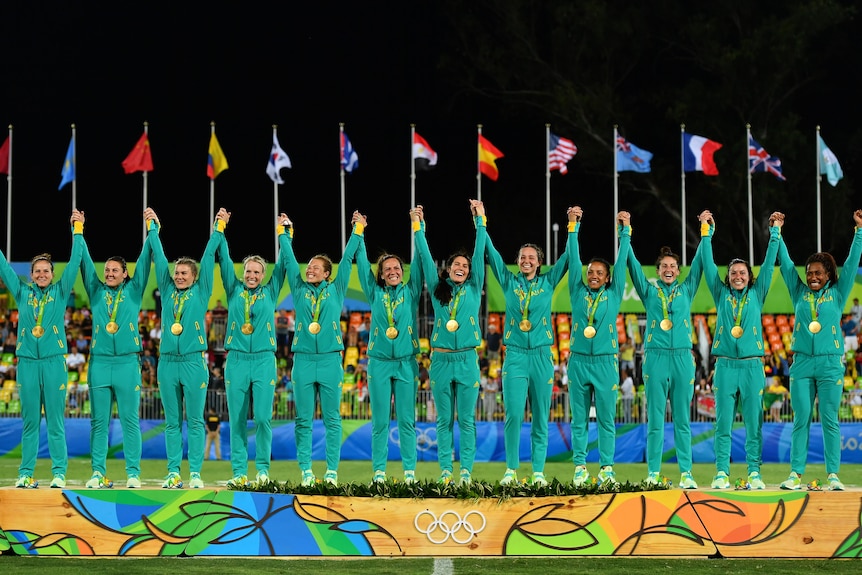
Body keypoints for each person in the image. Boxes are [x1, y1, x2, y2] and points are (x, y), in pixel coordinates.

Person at [485, 206, 571, 486]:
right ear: (518, 261)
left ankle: (537, 472)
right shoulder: (509, 282)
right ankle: (510, 470)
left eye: (531, 257)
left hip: (543, 355)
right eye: (523, 257)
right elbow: (494, 256)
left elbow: (569, 257)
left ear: (539, 262)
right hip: (516, 356)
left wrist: (573, 225)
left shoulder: (548, 282)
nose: (526, 260)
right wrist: (480, 223)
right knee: (512, 415)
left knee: (540, 418)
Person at [777, 210, 862, 491]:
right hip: (801, 363)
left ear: (828, 275)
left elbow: (851, 264)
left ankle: (833, 475)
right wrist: (776, 231)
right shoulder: (798, 292)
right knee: (801, 419)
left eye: (818, 273)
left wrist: (859, 231)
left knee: (829, 420)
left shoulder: (838, 292)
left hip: (829, 364)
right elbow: (786, 263)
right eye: (809, 272)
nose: (812, 276)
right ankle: (795, 475)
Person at [626, 210, 709, 489]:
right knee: (656, 420)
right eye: (664, 266)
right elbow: (633, 264)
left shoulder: (687, 290)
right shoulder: (649, 292)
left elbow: (699, 263)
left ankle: (686, 473)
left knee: (683, 420)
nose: (669, 269)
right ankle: (653, 472)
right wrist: (626, 231)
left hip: (683, 357)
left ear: (678, 269)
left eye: (673, 266)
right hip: (656, 358)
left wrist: (705, 230)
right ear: (658, 270)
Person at [702, 210, 783, 490]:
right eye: (733, 273)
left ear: (750, 276)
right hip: (725, 366)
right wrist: (706, 232)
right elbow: (707, 263)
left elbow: (770, 264)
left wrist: (774, 233)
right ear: (728, 277)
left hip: (751, 366)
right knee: (722, 425)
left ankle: (754, 473)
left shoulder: (757, 294)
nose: (737, 276)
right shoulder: (720, 292)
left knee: (753, 425)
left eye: (742, 272)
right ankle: (721, 472)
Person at [146, 206, 226, 489]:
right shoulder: (167, 291)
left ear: (194, 277)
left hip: (193, 362)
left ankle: (194, 473)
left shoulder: (202, 291)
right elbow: (159, 260)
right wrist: (153, 228)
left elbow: (206, 258)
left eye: (184, 273)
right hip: (166, 362)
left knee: (194, 420)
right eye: (177, 273)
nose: (178, 276)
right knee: (171, 421)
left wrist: (218, 229)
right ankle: (172, 473)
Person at [4, 210, 84, 488]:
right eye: (37, 271)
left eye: (46, 271)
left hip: (53, 363)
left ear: (52, 273)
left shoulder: (61, 291)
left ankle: (59, 472)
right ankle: (26, 473)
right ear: (30, 274)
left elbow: (75, 262)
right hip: (27, 362)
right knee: (29, 422)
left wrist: (78, 229)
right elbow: (3, 266)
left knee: (55, 422)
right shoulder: (22, 291)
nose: (41, 274)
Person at [285, 211, 362, 487]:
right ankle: (306, 471)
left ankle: (331, 471)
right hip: (303, 359)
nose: (310, 269)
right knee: (303, 419)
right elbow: (290, 261)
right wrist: (284, 234)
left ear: (327, 273)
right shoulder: (299, 287)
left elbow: (349, 258)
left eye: (316, 268)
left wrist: (357, 230)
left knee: (332, 419)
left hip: (330, 359)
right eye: (310, 267)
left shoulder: (337, 288)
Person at [80, 210, 154, 489]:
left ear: (125, 275)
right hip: (99, 363)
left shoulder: (134, 291)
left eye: (115, 271)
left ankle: (133, 473)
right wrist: (79, 230)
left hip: (126, 364)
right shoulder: (96, 291)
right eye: (107, 270)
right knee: (98, 422)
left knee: (129, 421)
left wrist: (152, 229)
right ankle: (97, 473)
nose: (109, 274)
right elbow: (85, 262)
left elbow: (146, 260)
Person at [414, 200, 486, 485]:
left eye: (465, 266)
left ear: (470, 272)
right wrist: (419, 226)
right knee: (444, 421)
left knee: (466, 421)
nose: (462, 267)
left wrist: (479, 220)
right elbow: (423, 253)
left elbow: (479, 252)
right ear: (448, 269)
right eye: (457, 264)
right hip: (441, 361)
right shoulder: (437, 289)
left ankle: (465, 472)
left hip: (467, 359)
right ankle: (446, 472)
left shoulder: (474, 286)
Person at [218, 212, 290, 488]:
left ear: (263, 275)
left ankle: (262, 469)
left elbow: (284, 265)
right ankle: (239, 470)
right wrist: (221, 227)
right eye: (248, 271)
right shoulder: (233, 289)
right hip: (236, 359)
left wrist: (284, 234)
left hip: (263, 360)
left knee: (262, 417)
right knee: (236, 419)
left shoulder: (270, 292)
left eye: (257, 272)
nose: (251, 275)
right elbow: (224, 259)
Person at [355, 209, 424, 483]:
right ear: (381, 276)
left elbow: (421, 261)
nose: (393, 272)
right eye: (388, 270)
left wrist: (418, 226)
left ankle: (409, 473)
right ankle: (379, 473)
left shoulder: (412, 290)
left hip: (407, 362)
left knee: (407, 421)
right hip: (380, 363)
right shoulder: (375, 293)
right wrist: (359, 232)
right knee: (380, 422)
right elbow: (361, 263)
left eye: (397, 268)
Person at [567, 209, 631, 487]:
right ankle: (580, 468)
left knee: (606, 419)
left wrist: (624, 232)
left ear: (608, 278)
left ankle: (607, 468)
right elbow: (572, 258)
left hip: (606, 361)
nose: (593, 275)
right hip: (579, 361)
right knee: (579, 420)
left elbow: (624, 260)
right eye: (590, 272)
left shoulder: (614, 293)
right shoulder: (576, 290)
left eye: (599, 273)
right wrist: (573, 226)